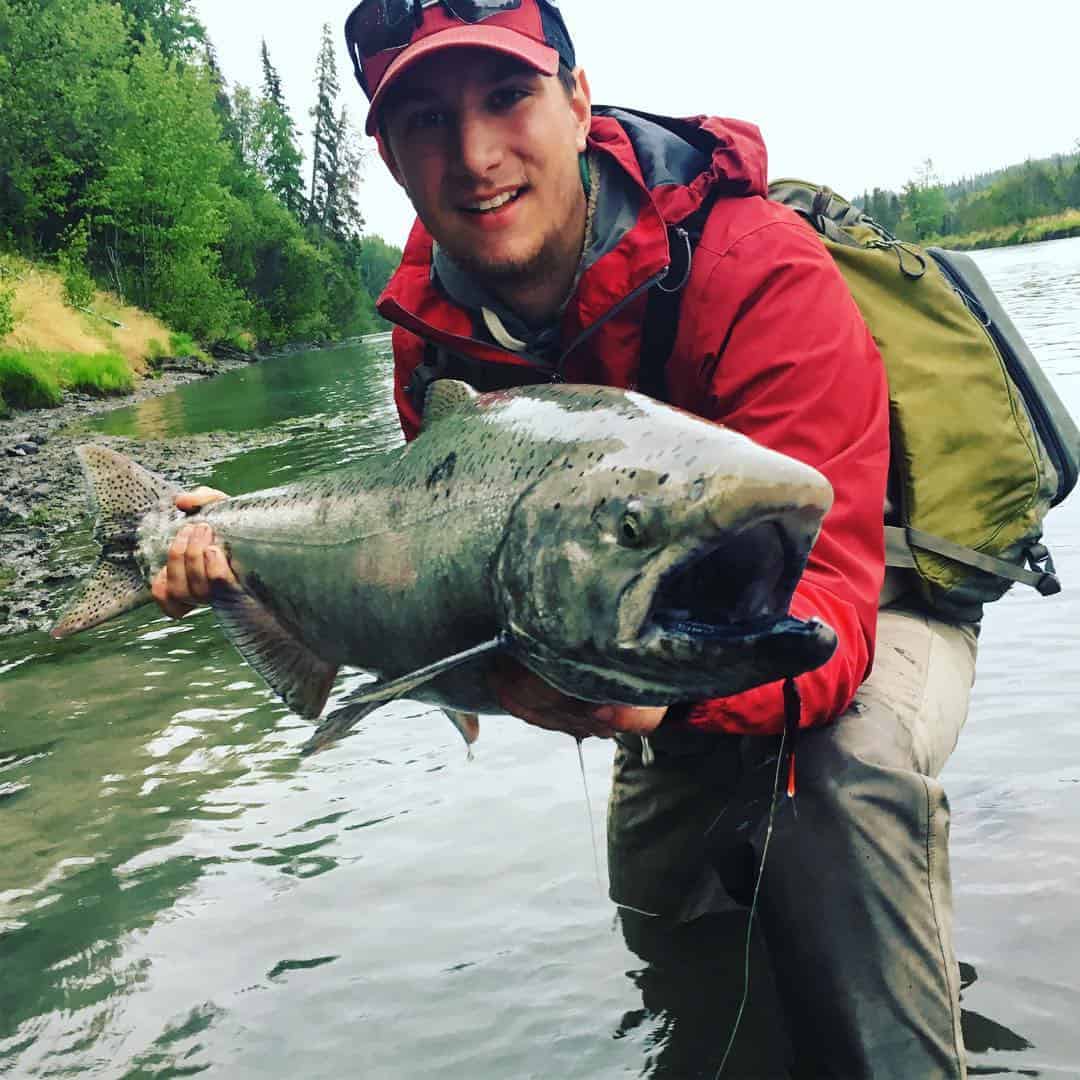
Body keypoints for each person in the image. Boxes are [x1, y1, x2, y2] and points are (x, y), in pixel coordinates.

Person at [154, 2, 979, 1075]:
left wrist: (661, 703)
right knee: (670, 921)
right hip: (632, 628)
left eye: (508, 96)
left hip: (871, 600)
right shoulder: (432, 340)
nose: (475, 155)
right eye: (427, 121)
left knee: (838, 781)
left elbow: (828, 604)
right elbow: (415, 567)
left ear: (579, 102)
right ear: (389, 157)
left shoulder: (756, 267)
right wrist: (243, 558)